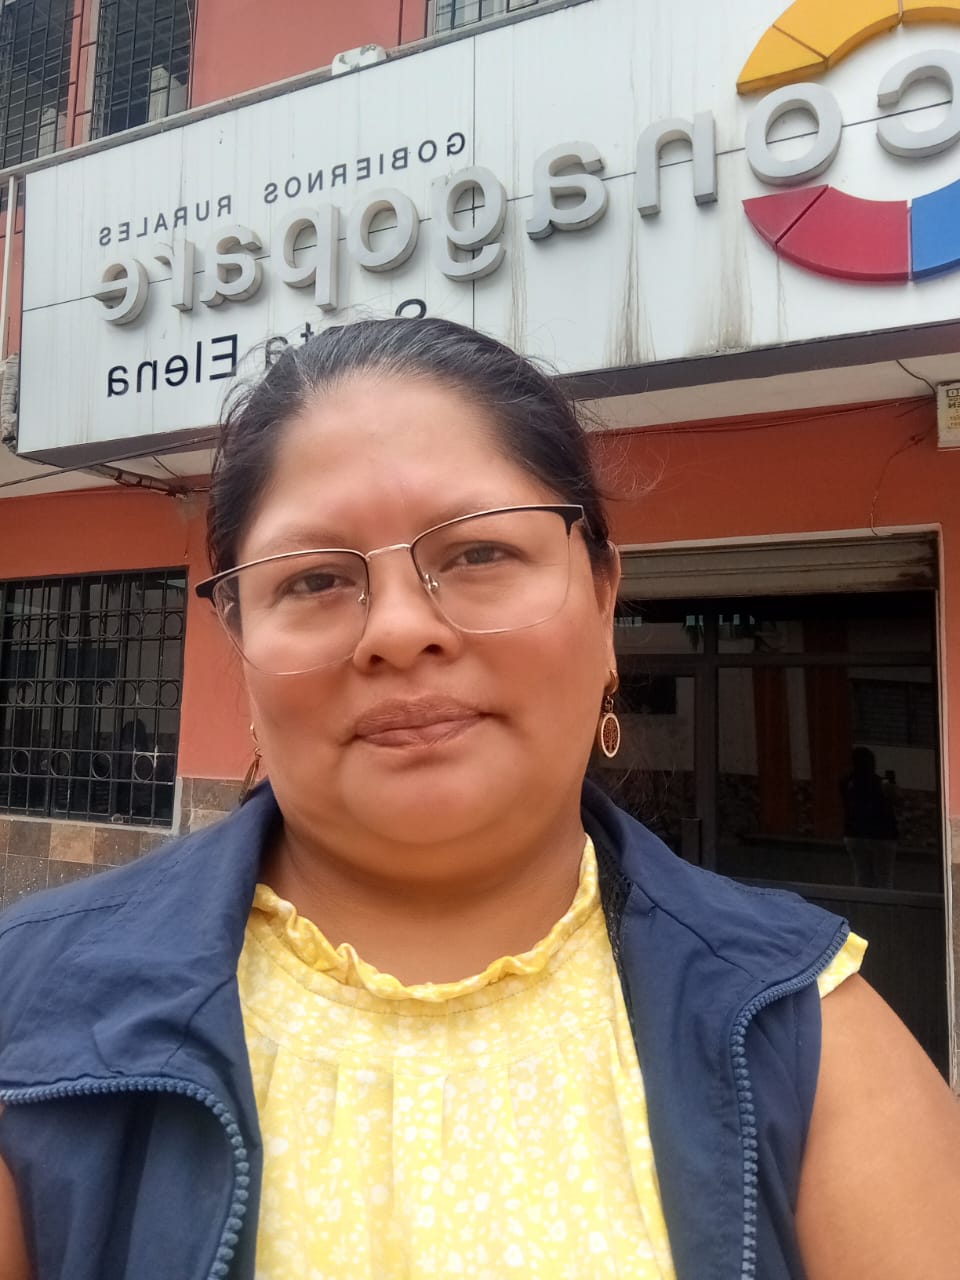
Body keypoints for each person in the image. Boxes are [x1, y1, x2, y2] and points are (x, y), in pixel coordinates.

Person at [1, 318, 959, 1280]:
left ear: (604, 600)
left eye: (478, 555)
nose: (399, 631)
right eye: (316, 578)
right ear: (243, 645)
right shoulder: (25, 1021)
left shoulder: (804, 1035)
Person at [840, 745, 899, 889]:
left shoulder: (847, 783)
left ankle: (863, 903)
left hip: (855, 833)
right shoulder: (881, 783)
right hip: (882, 834)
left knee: (862, 876)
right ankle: (883, 903)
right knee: (884, 878)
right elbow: (896, 799)